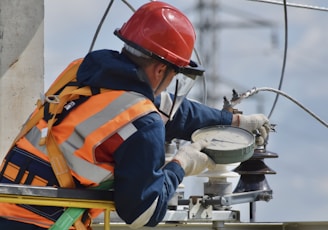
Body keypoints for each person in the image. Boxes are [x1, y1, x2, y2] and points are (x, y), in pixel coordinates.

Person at [0, 1, 270, 229]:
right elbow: (143, 213)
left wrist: (233, 122)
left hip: (6, 202)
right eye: (175, 74)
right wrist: (181, 165)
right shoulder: (143, 121)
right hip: (40, 222)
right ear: (160, 71)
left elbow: (174, 111)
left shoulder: (83, 73)